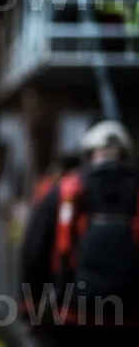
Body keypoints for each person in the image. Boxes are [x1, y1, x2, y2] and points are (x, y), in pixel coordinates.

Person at [19, 119, 139, 346]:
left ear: (89, 154)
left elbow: (34, 250)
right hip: (132, 318)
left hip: (74, 318)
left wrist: (29, 309)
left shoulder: (65, 191)